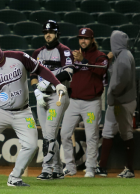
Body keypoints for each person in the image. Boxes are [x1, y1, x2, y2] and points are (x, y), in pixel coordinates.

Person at [0, 35, 67, 187]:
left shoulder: (18, 57)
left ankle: (14, 178)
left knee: (32, 145)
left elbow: (40, 69)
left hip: (23, 111)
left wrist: (57, 83)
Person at [60, 28, 109, 178]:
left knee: (91, 136)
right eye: (81, 38)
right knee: (64, 133)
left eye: (86, 38)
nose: (83, 41)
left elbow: (101, 71)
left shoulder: (100, 56)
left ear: (92, 39)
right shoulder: (74, 56)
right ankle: (70, 167)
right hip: (74, 101)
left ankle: (90, 168)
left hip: (92, 103)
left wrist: (84, 61)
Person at [30, 20, 74, 180]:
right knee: (48, 133)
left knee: (49, 132)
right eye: (45, 32)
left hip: (58, 94)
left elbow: (69, 72)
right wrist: (36, 91)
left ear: (57, 33)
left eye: (51, 32)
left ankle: (47, 169)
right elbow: (33, 75)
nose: (48, 34)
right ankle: (57, 169)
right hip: (43, 95)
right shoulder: (37, 53)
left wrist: (49, 81)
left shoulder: (64, 51)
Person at [96, 30, 137, 178]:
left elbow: (122, 80)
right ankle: (102, 167)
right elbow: (115, 73)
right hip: (118, 102)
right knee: (108, 131)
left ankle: (130, 169)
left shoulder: (125, 57)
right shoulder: (122, 56)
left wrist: (113, 91)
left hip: (122, 102)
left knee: (126, 133)